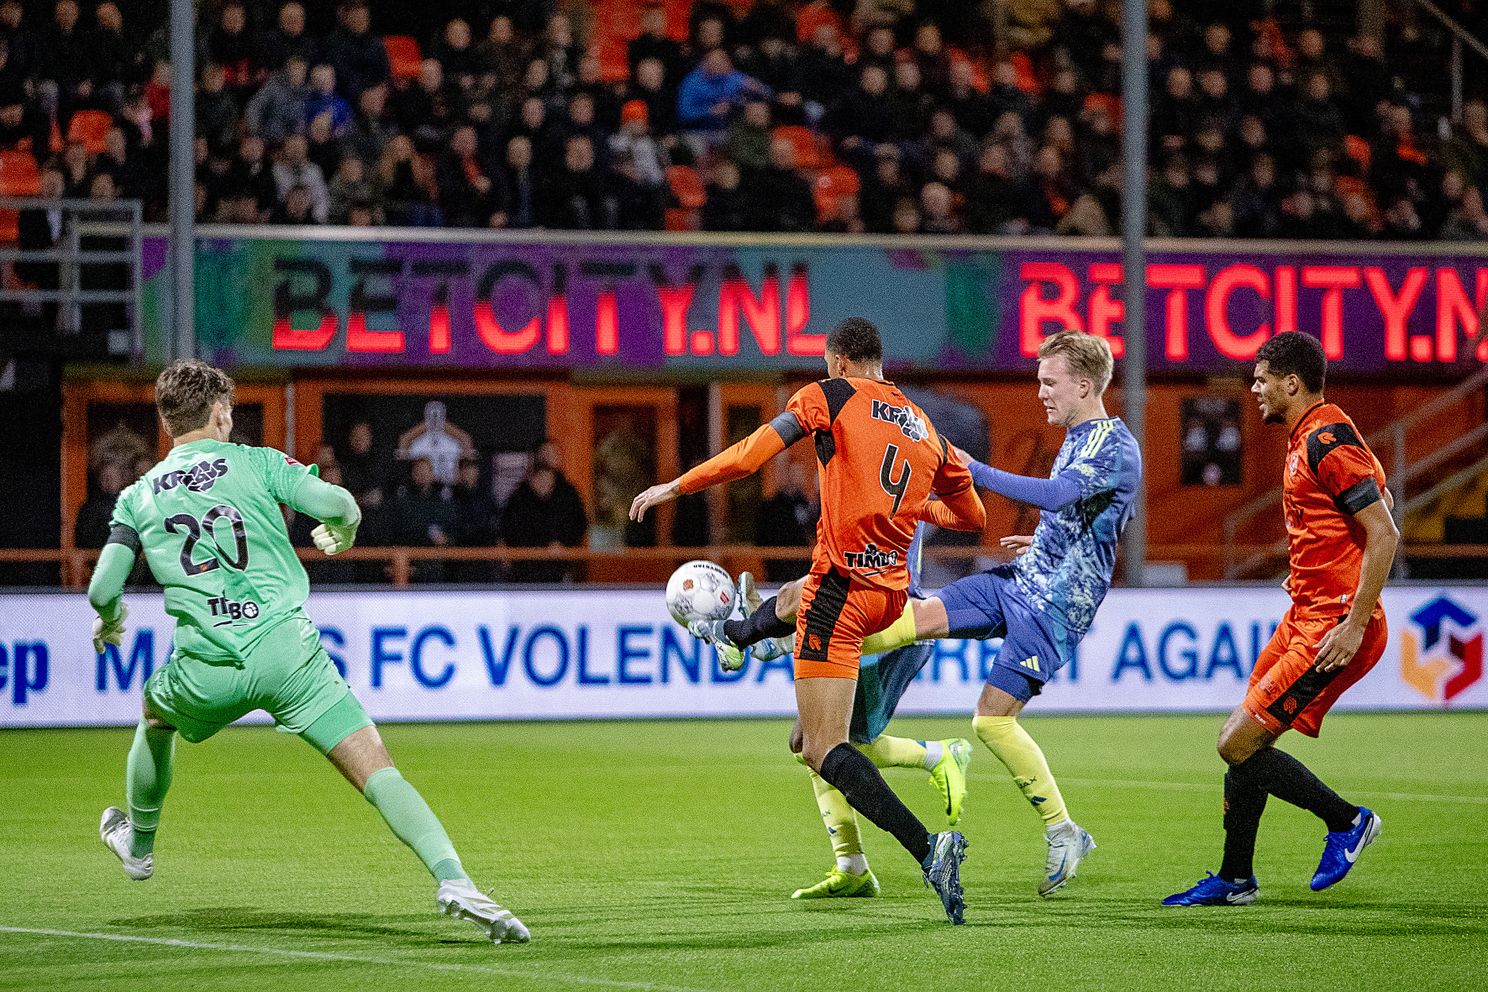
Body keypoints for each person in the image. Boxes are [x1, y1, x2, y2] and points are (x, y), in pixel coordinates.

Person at [88, 359, 527, 943]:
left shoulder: (137, 496)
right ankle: (453, 878)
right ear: (220, 413)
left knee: (155, 718)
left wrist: (113, 618)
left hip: (205, 664)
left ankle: (139, 848)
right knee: (376, 767)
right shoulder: (259, 461)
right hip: (286, 653)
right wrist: (341, 534)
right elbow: (341, 505)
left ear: (167, 422)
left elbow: (102, 588)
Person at [707, 330, 1141, 897]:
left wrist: (969, 468)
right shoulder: (1076, 437)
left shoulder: (1116, 444)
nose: (1040, 392)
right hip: (1018, 581)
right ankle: (782, 640)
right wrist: (1039, 546)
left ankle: (1063, 830)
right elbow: (1086, 518)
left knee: (989, 720)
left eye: (1048, 382)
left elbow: (1062, 497)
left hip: (1054, 610)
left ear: (1084, 385)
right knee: (904, 623)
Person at [630, 317, 986, 924]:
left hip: (842, 595)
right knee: (803, 664)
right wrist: (910, 506)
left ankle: (930, 849)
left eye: (827, 366)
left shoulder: (829, 396)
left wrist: (676, 486)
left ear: (841, 362)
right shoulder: (927, 428)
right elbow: (972, 516)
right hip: (889, 596)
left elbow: (750, 456)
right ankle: (742, 632)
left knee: (824, 749)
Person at [1164, 332, 1397, 907]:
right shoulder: (1307, 437)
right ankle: (1235, 877)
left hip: (1333, 627)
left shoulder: (1327, 440)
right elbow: (1373, 512)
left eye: (1262, 378)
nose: (1255, 388)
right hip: (1304, 616)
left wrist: (1352, 621)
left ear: (1292, 382)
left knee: (1235, 743)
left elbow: (1385, 531)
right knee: (1246, 738)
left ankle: (1347, 821)